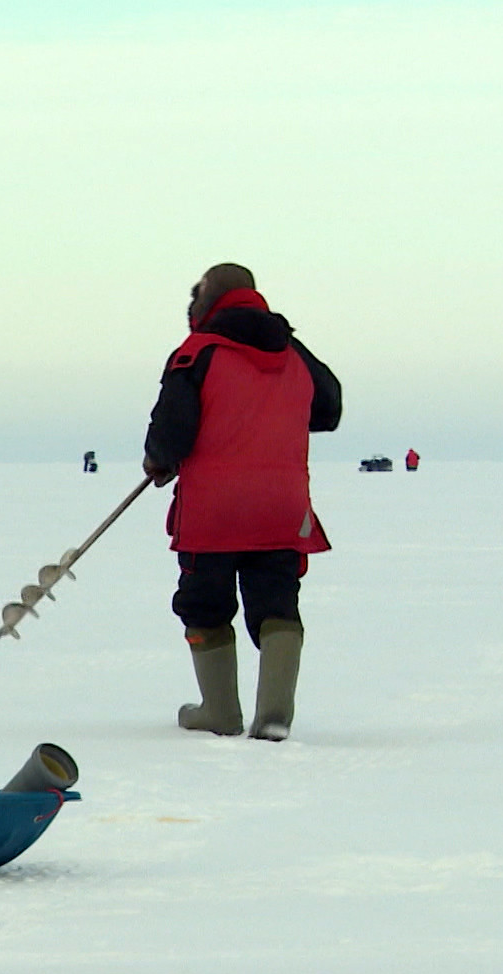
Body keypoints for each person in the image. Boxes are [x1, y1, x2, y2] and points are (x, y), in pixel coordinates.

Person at [142, 264, 342, 741]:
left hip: (214, 508)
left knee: (204, 602)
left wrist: (158, 461)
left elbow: (171, 430)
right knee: (277, 601)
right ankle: (274, 715)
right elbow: (329, 408)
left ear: (208, 301)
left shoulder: (197, 353)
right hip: (281, 505)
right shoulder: (293, 352)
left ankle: (220, 711)